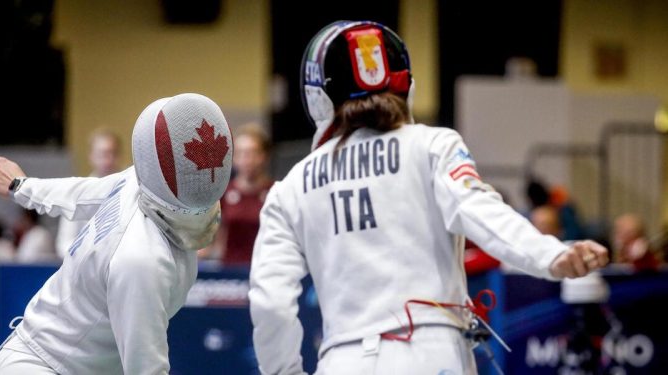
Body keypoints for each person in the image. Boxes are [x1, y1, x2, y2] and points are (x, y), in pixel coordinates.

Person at [248, 21, 609, 375]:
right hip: (432, 355)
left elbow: (270, 302)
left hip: (342, 361)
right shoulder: (433, 146)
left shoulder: (290, 187)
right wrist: (552, 255)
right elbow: (481, 212)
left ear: (317, 96)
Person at [0, 93, 232, 374]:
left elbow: (82, 193)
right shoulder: (141, 259)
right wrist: (21, 188)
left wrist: (21, 186)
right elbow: (146, 369)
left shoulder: (141, 183)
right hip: (41, 365)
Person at [201, 124, 273, 265]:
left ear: (264, 156)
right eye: (241, 153)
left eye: (253, 153)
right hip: (231, 275)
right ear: (233, 158)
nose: (247, 160)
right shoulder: (223, 192)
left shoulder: (277, 192)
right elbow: (208, 238)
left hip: (267, 269)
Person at [55, 129, 121, 259]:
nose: (107, 160)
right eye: (102, 154)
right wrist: (89, 260)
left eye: (112, 153)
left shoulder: (131, 191)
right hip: (85, 270)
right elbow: (64, 243)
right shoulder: (78, 194)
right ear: (91, 156)